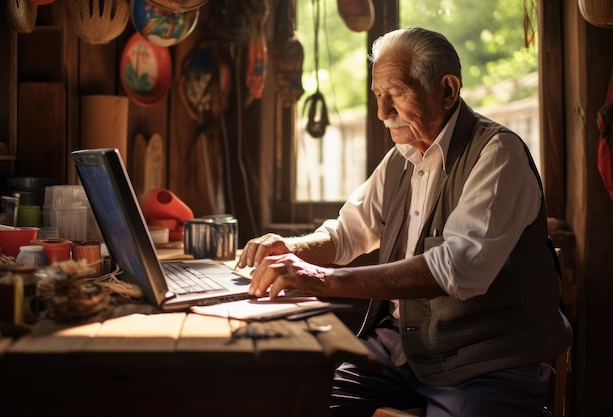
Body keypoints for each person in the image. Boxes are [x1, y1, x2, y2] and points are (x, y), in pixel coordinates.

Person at [236, 27, 573, 417]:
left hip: (487, 364)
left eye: (395, 92)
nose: (381, 112)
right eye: (377, 96)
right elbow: (347, 232)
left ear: (447, 91)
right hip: (400, 351)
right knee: (298, 400)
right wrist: (291, 249)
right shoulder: (402, 157)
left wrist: (320, 278)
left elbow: (457, 268)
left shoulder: (498, 154)